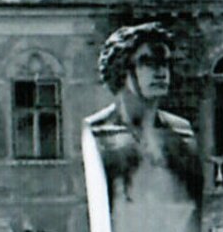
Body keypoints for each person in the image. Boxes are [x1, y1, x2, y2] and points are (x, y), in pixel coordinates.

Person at [84, 22, 202, 205]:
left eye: (165, 63)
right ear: (122, 70)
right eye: (148, 63)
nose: (161, 72)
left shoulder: (182, 133)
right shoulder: (100, 131)